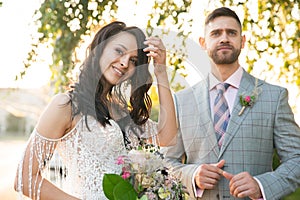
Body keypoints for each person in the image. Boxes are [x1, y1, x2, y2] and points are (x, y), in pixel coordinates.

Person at [14, 21, 177, 199]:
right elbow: (24, 179)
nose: (124, 63)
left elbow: (166, 136)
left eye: (133, 61)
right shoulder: (66, 106)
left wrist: (161, 70)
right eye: (119, 51)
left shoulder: (121, 111)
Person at [162, 7, 300, 200]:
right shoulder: (181, 101)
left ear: (242, 41)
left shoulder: (274, 97)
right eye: (216, 33)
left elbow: (296, 159)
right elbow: (165, 163)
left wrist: (261, 185)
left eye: (231, 33)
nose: (224, 38)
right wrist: (192, 175)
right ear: (203, 43)